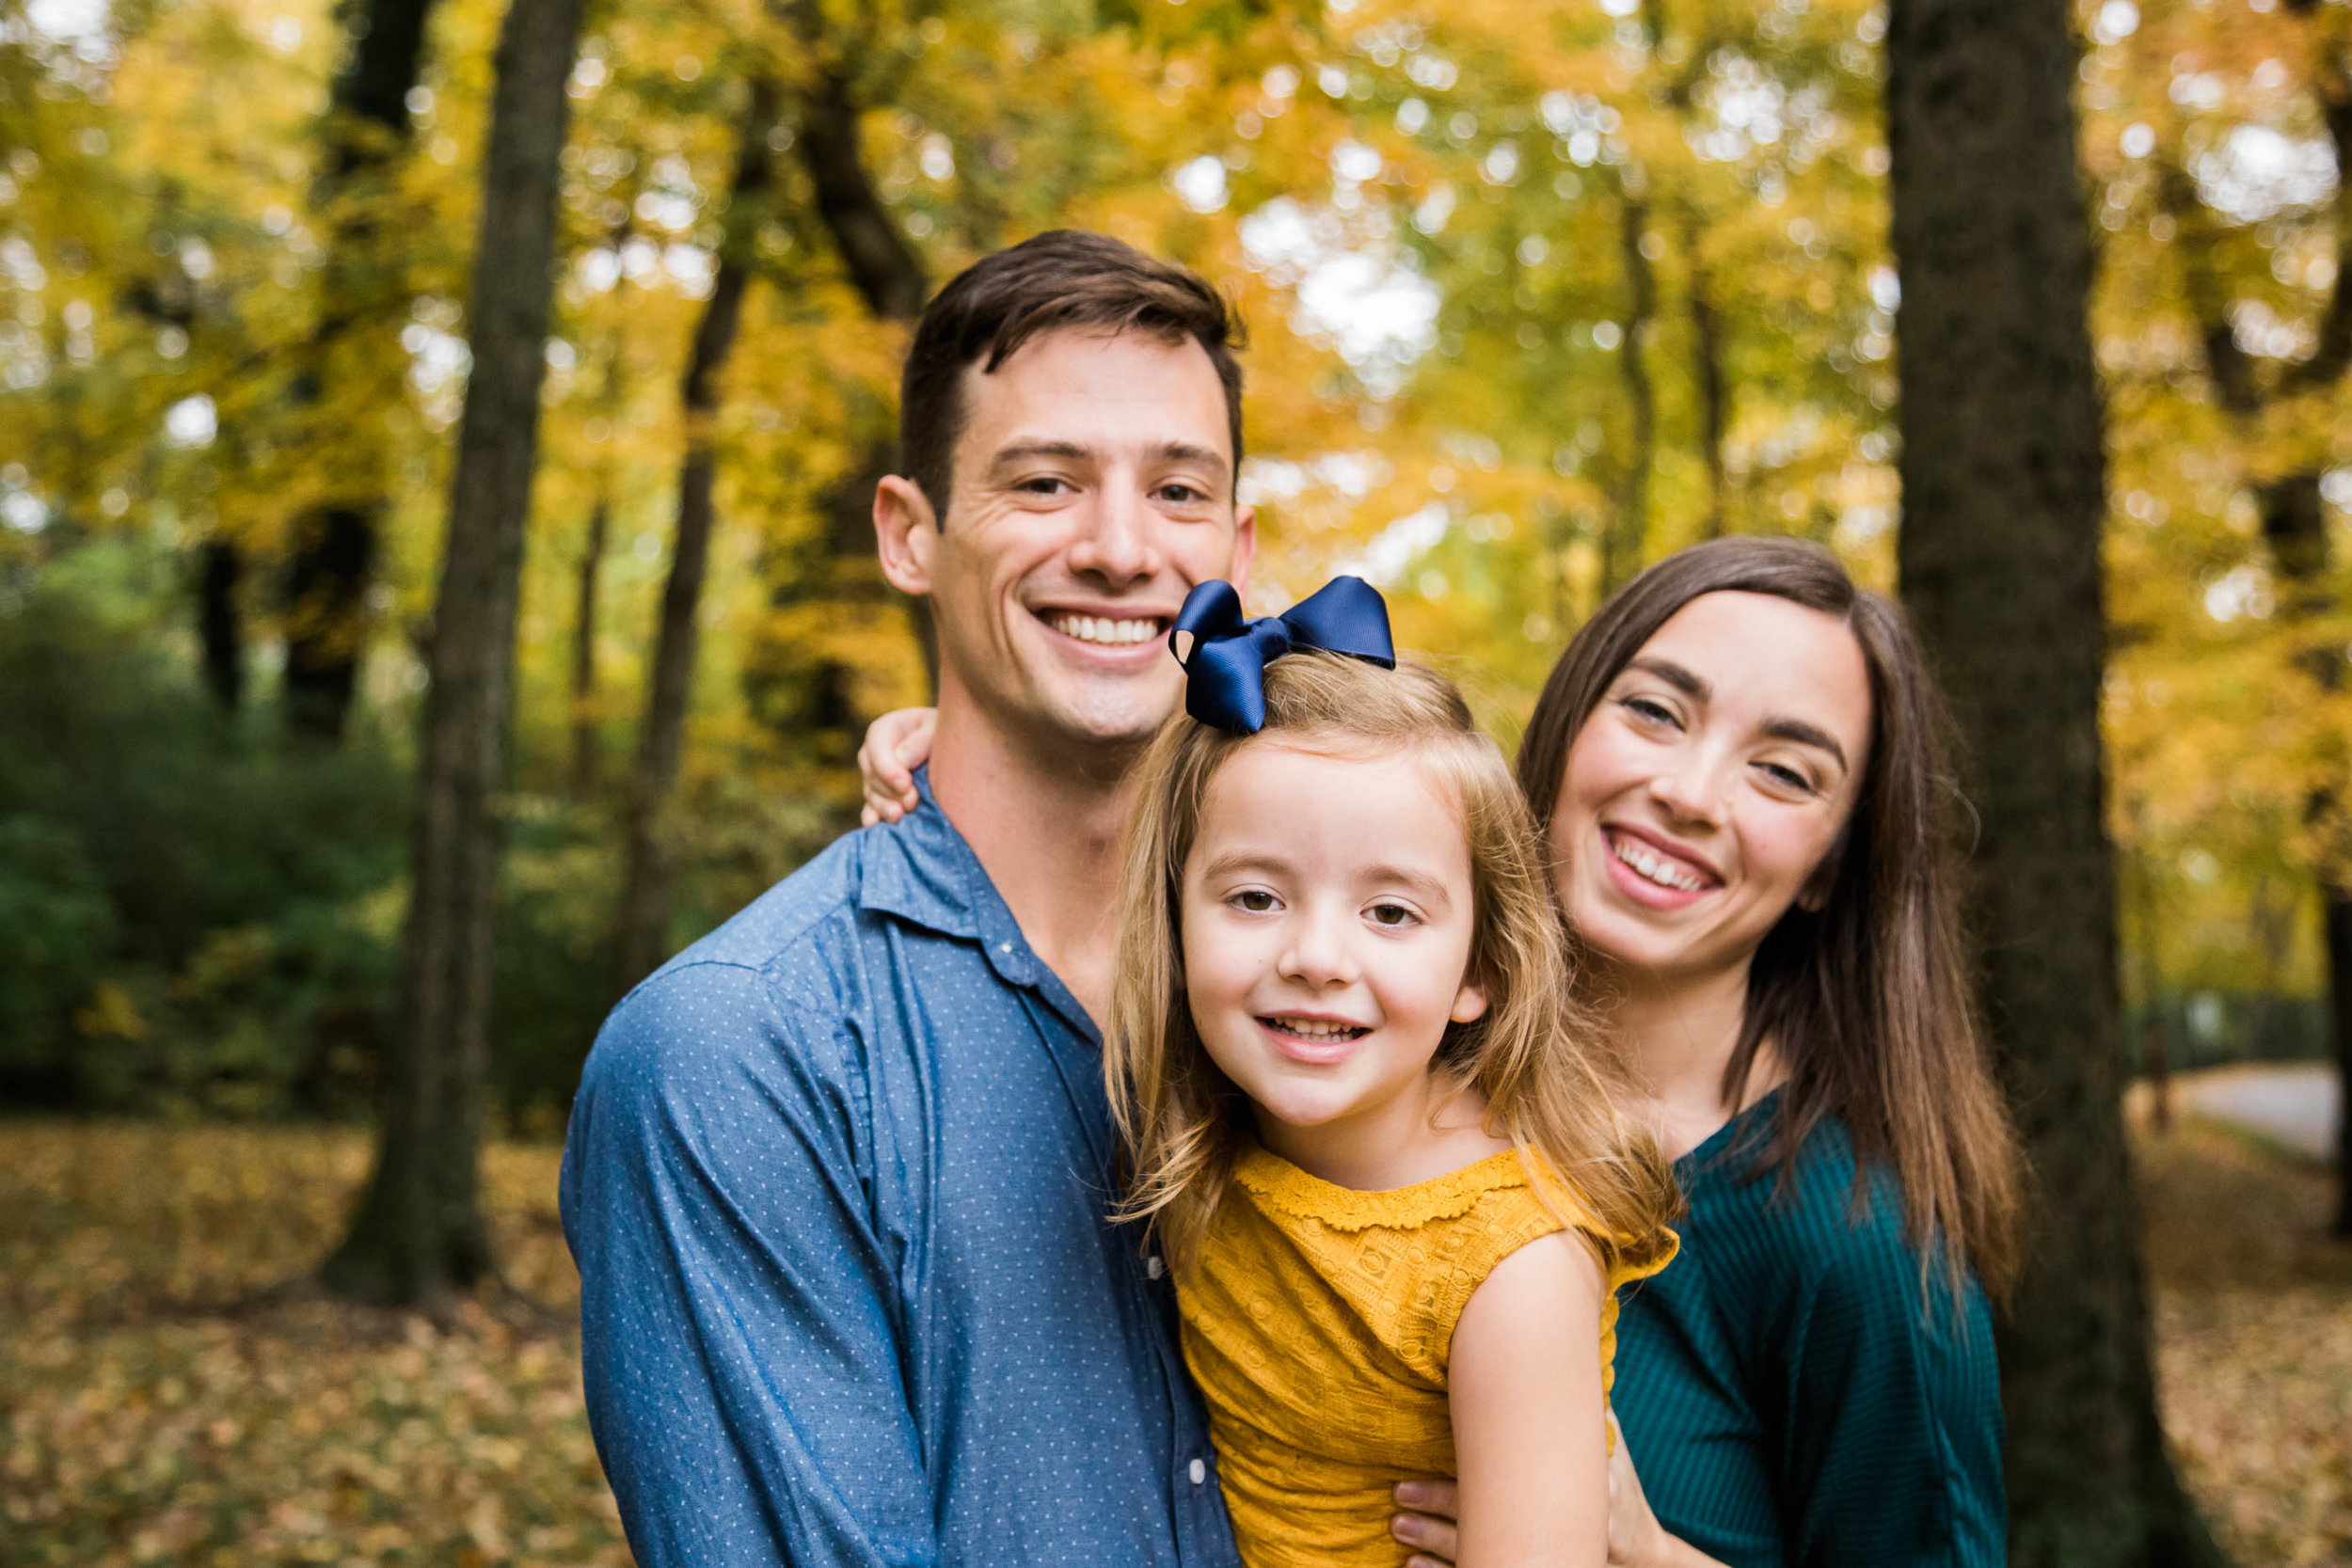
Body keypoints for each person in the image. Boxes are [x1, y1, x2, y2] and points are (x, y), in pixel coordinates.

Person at [861, 536, 2023, 1568]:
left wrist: (1641, 1548)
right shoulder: (1347, 1064)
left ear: (1832, 862)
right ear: (1564, 732)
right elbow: (1237, 817)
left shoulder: (1857, 1243)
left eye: (1784, 770)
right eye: (1657, 711)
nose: (1688, 790)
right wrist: (977, 758)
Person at [1105, 587, 1679, 1566]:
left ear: (1480, 969)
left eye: (1390, 913)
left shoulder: (1511, 1268)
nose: (1317, 955)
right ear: (1173, 922)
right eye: (1254, 895)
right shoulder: (1201, 1115)